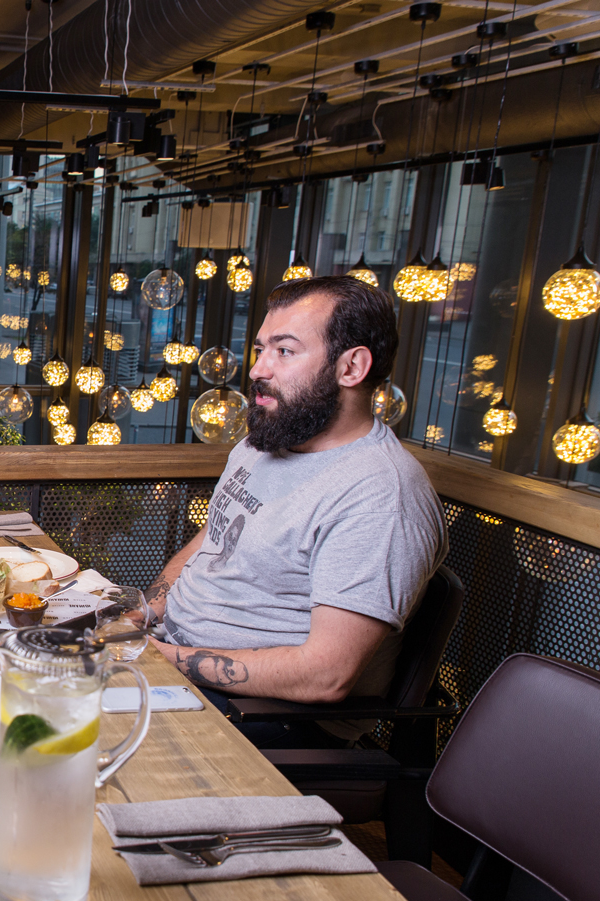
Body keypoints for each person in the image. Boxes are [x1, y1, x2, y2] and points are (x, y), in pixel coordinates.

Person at [146, 276, 445, 750]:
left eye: (284, 351)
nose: (259, 369)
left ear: (352, 367)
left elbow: (326, 675)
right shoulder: (265, 442)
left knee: (56, 725)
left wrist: (162, 658)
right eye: (261, 349)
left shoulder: (380, 495)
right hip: (174, 659)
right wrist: (144, 613)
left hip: (270, 716)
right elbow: (210, 540)